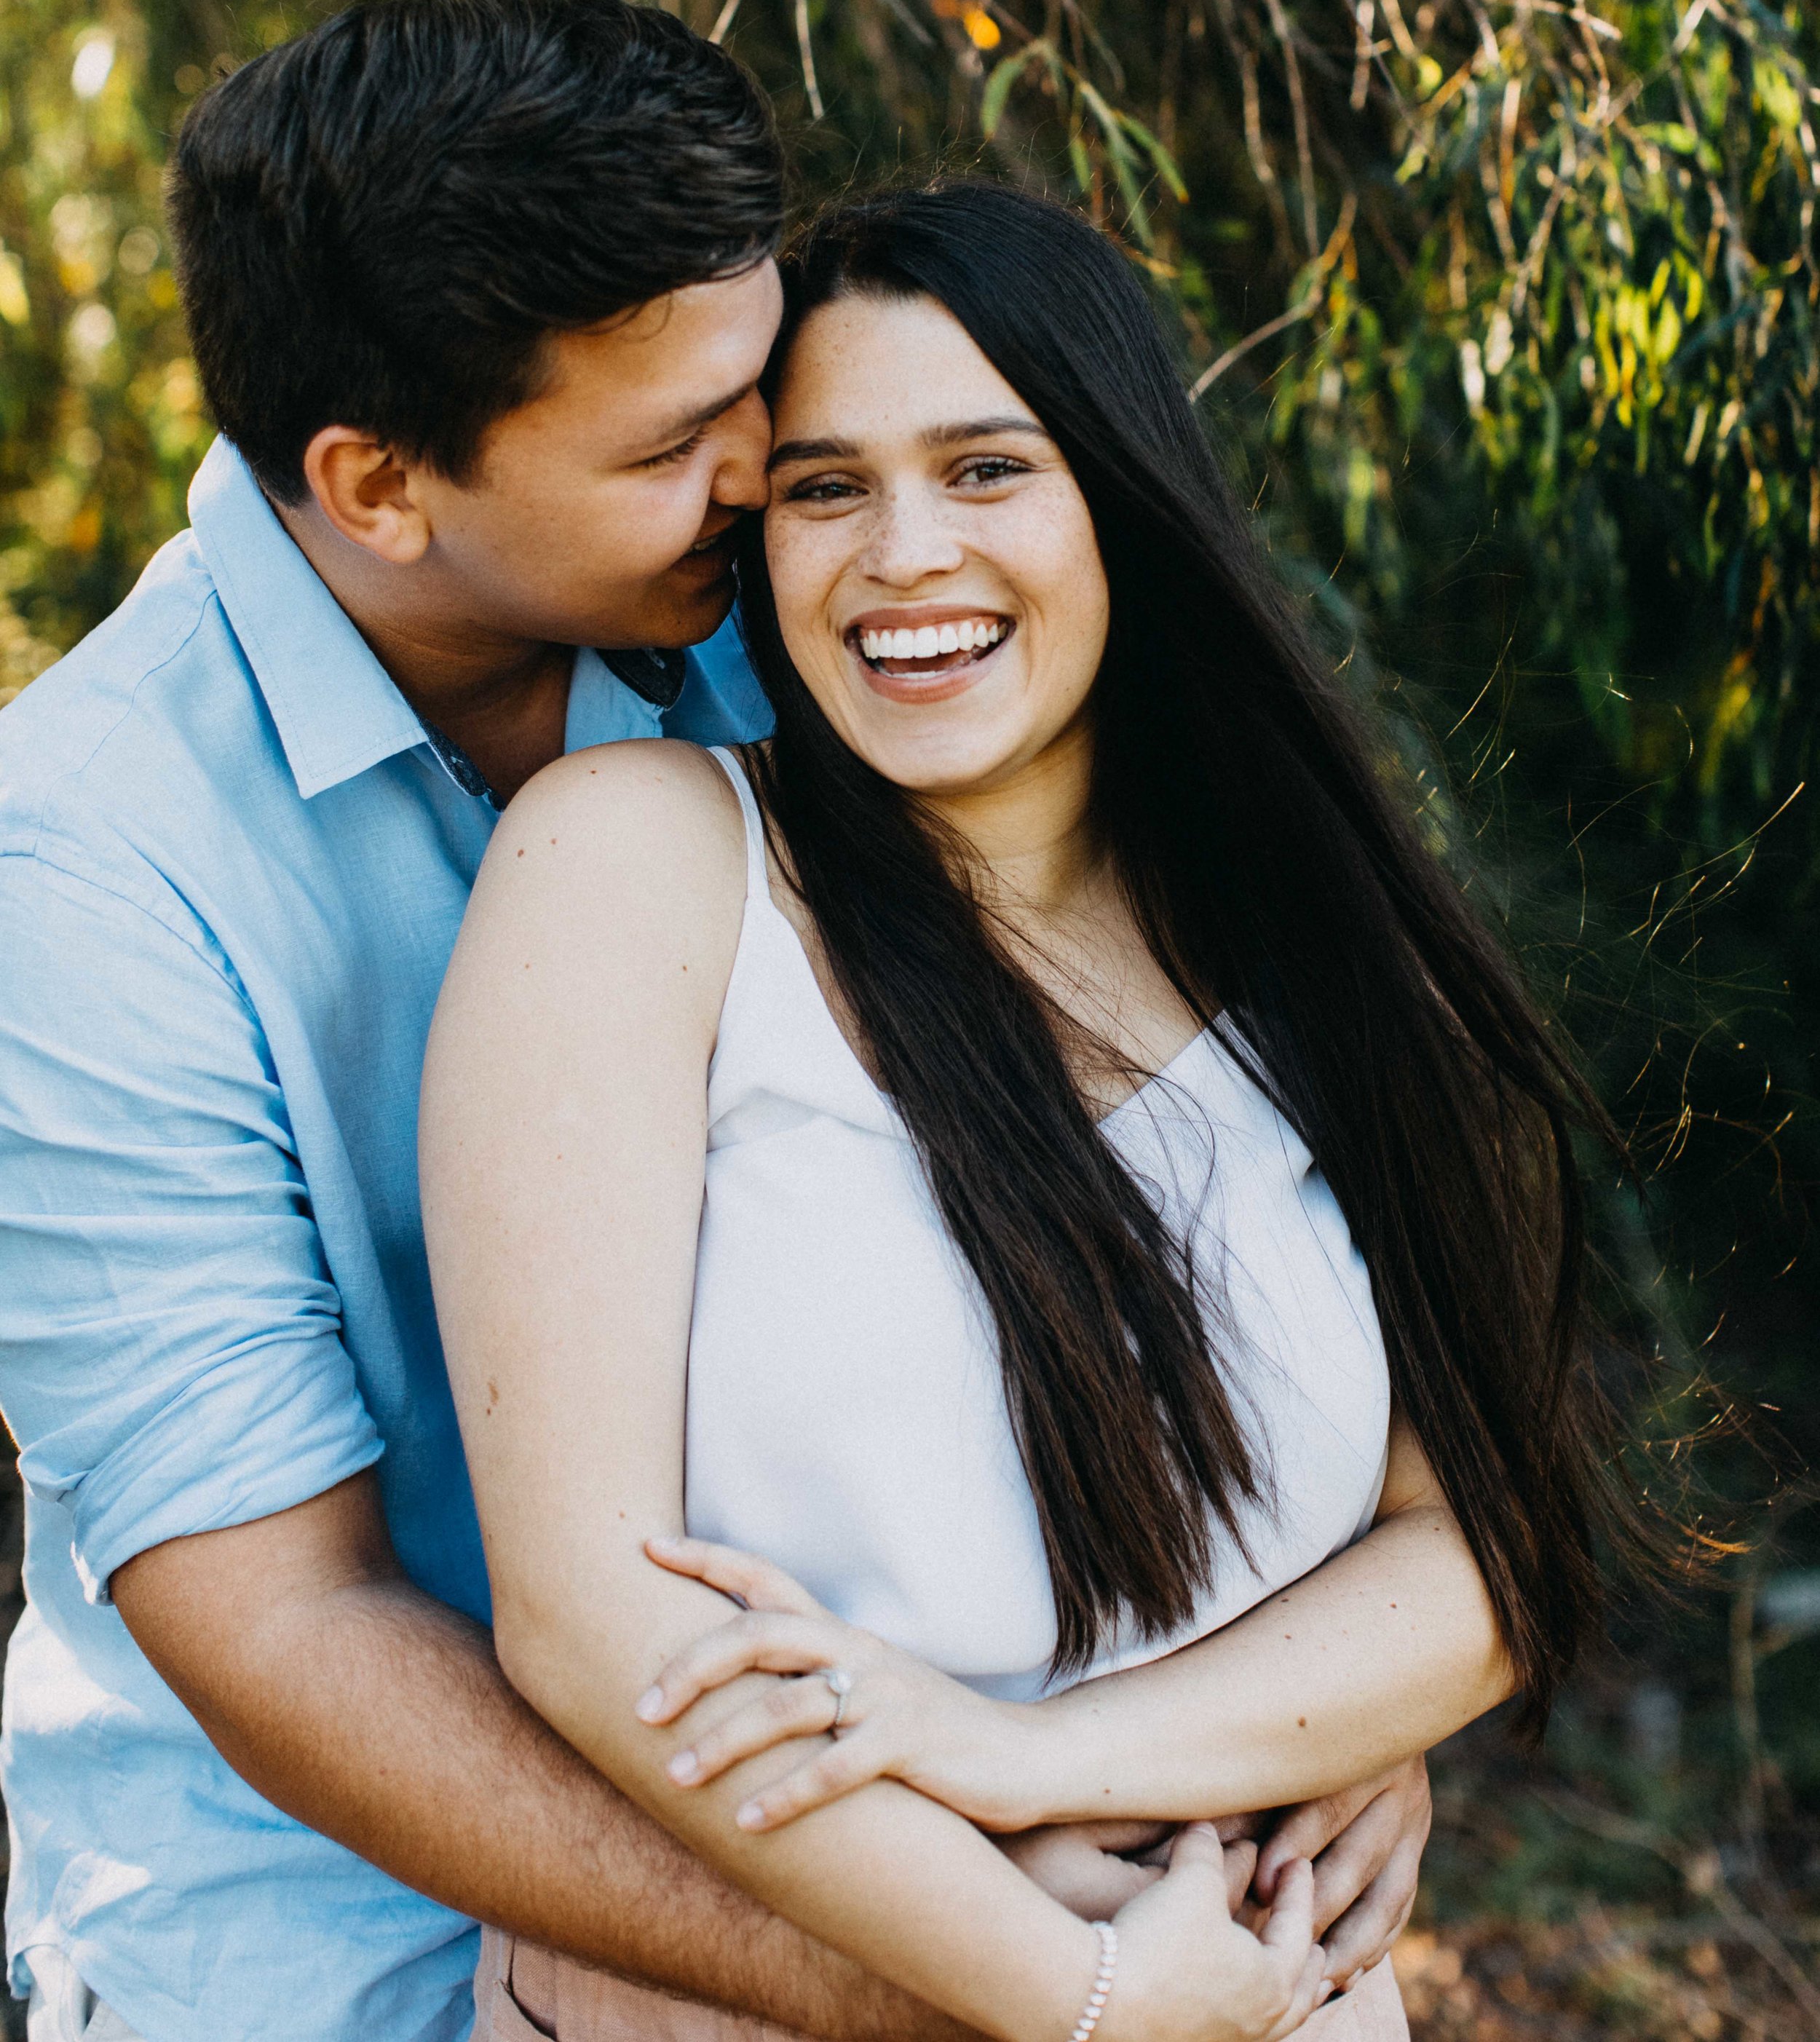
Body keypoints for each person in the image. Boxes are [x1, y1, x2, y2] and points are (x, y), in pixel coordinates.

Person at [0, 4, 1426, 2042]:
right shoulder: (83, 867)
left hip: (907, 1853)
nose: (766, 474)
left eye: (753, 394)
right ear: (377, 483)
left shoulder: (793, 619)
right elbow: (287, 1619)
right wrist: (992, 1981)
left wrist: (1277, 1719)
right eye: (679, 446)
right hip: (329, 1947)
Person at [422, 182, 1635, 2042]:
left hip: (1248, 1997)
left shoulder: (1313, 942)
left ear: (1124, 504)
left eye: (986, 468)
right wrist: (1075, 1996)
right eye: (822, 489)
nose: (902, 553)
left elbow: (1469, 1551)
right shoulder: (643, 864)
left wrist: (1019, 1760)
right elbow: (588, 1622)